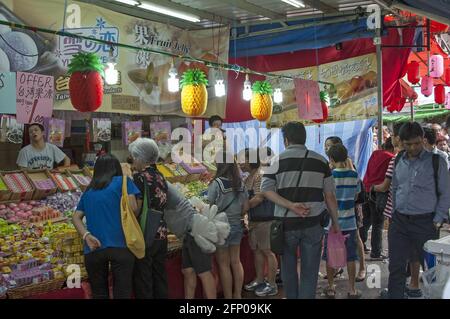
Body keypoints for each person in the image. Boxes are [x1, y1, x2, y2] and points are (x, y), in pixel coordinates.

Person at [261, 122, 340, 299]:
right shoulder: (321, 161)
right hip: (313, 224)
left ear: (286, 140)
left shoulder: (275, 161)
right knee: (310, 271)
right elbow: (330, 196)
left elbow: (266, 190)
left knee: (288, 270)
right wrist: (336, 223)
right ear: (304, 138)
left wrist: (290, 205)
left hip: (286, 225)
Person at [387, 122, 450, 299]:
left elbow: (446, 193)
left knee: (432, 270)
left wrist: (437, 220)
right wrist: (394, 214)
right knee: (396, 267)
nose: (413, 147)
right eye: (408, 144)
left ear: (423, 139)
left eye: (416, 143)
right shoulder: (398, 159)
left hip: (426, 223)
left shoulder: (437, 161)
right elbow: (395, 187)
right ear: (401, 142)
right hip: (400, 222)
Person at [72, 154, 140, 299]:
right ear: (116, 168)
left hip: (93, 248)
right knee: (122, 293)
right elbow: (133, 209)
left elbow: (75, 217)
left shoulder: (89, 191)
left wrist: (86, 236)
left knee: (99, 293)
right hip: (121, 245)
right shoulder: (123, 181)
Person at [128, 138, 169, 299]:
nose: (133, 161)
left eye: (133, 157)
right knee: (160, 275)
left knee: (143, 278)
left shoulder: (139, 177)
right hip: (162, 232)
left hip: (145, 234)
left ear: (140, 158)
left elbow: (136, 210)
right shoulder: (160, 175)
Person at [324, 136, 366, 282]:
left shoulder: (330, 176)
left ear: (331, 159)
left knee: (331, 253)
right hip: (350, 221)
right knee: (350, 256)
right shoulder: (354, 175)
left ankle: (330, 286)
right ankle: (352, 288)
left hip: (333, 222)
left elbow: (326, 198)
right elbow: (355, 196)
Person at [208, 151, 249, 299]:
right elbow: (245, 207)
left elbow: (209, 206)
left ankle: (228, 297)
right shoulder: (240, 183)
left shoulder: (216, 184)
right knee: (236, 261)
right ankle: (237, 295)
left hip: (220, 228)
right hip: (237, 226)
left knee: (224, 264)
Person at [240, 148, 278, 297]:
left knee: (268, 251)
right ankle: (259, 279)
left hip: (265, 219)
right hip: (254, 220)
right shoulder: (249, 177)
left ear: (252, 160)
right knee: (257, 250)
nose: (241, 163)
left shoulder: (260, 175)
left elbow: (259, 197)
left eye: (244, 160)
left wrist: (242, 210)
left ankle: (272, 284)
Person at [361, 134, 395, 260]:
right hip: (379, 192)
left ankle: (360, 244)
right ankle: (376, 252)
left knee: (366, 220)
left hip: (367, 188)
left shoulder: (376, 153)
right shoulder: (392, 158)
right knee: (377, 223)